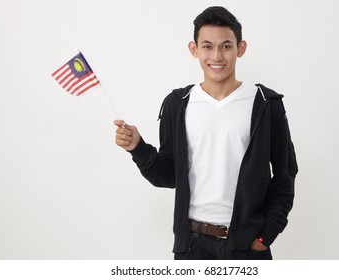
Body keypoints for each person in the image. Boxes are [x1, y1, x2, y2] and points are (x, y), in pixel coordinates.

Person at [114, 6, 298, 260]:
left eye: (226, 46)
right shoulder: (178, 103)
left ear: (240, 48)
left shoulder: (265, 103)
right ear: (194, 49)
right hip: (192, 245)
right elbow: (168, 176)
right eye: (208, 46)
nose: (217, 56)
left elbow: (285, 173)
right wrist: (138, 148)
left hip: (247, 245)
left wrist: (267, 234)